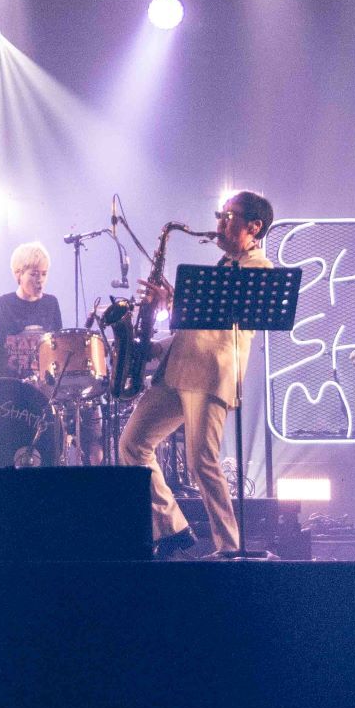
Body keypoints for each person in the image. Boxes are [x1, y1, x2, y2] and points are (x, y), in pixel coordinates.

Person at [118, 191, 277, 557]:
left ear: (254, 227)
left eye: (230, 217)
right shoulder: (221, 268)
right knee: (132, 445)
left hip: (210, 374)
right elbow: (193, 328)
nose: (220, 223)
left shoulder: (257, 269)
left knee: (201, 461)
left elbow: (217, 319)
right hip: (177, 372)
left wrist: (173, 302)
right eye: (221, 215)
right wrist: (153, 347)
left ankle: (229, 547)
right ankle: (172, 528)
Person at [0, 240, 65, 378]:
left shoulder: (51, 303)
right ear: (19, 274)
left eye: (44, 273)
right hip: (4, 392)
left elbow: (58, 350)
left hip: (42, 393)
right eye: (34, 274)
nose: (40, 279)